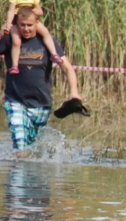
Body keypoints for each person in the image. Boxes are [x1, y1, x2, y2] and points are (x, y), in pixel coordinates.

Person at [0, 4, 80, 154]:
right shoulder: (11, 40)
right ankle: (19, 175)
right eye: (22, 25)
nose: (26, 29)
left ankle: (31, 174)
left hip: (41, 104)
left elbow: (68, 68)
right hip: (15, 101)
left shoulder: (48, 41)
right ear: (16, 23)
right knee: (21, 145)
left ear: (37, 23)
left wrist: (74, 93)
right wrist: (2, 34)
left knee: (34, 147)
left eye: (30, 25)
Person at [2, 1, 60, 74]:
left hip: (31, 19)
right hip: (17, 22)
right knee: (16, 42)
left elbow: (40, 12)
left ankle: (54, 54)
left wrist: (35, 12)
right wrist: (8, 23)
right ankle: (15, 66)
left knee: (45, 33)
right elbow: (11, 11)